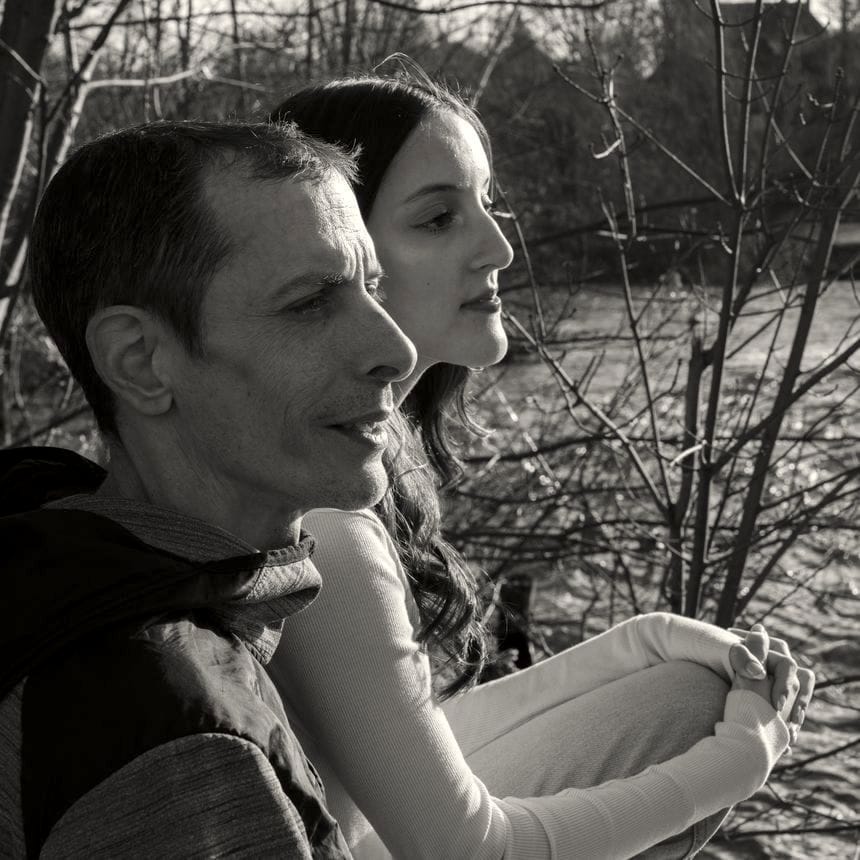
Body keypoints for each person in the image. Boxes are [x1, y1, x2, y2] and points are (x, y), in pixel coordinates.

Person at [266, 76, 816, 859]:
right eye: (439, 217)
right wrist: (738, 763)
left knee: (690, 682)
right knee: (694, 706)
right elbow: (460, 849)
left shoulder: (371, 467)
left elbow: (421, 743)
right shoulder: (325, 516)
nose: (499, 246)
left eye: (489, 204)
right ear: (343, 253)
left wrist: (649, 640)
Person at [0, 120, 417, 857]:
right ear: (140, 361)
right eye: (310, 303)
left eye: (371, 286)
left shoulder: (43, 557)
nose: (396, 349)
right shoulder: (181, 751)